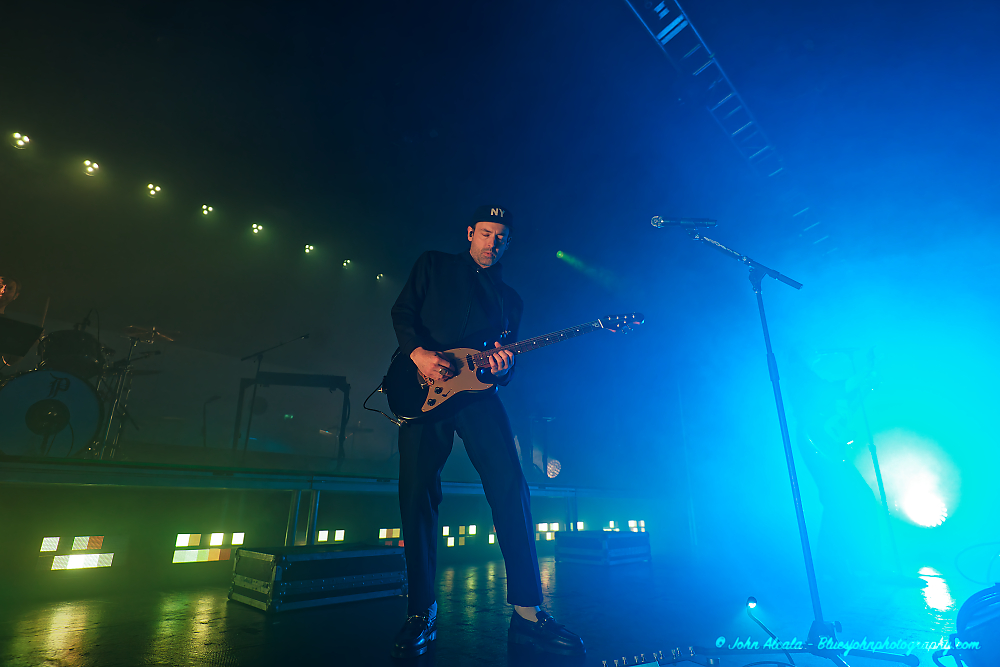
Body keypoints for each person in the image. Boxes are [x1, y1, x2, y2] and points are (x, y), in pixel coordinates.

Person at [389, 205, 585, 659]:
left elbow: (505, 367)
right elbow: (403, 310)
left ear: (507, 245)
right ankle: (421, 611)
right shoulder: (433, 264)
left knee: (512, 487)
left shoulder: (509, 300)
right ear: (471, 233)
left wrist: (503, 367)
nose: (492, 243)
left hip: (478, 398)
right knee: (416, 494)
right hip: (425, 395)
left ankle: (528, 612)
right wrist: (418, 354)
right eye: (486, 234)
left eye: (501, 238)